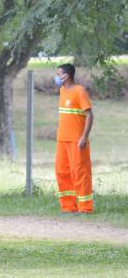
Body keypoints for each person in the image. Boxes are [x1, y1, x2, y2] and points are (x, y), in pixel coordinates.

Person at [54, 64, 94, 214]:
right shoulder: (62, 90)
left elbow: (89, 115)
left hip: (77, 141)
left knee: (80, 172)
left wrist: (84, 137)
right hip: (62, 140)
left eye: (59, 74)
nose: (57, 77)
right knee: (62, 172)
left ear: (67, 76)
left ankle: (85, 208)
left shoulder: (80, 91)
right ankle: (68, 207)